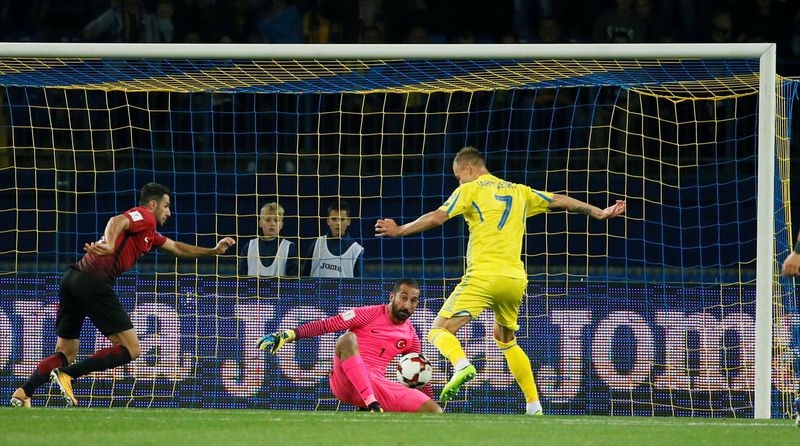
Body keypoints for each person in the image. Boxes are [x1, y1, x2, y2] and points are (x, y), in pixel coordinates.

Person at [375, 147, 626, 415]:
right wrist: (599, 212)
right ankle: (534, 405)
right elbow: (560, 200)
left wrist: (401, 229)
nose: (459, 182)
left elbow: (438, 216)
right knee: (506, 340)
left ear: (469, 169)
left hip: (483, 276)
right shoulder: (520, 191)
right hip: (515, 279)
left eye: (458, 177)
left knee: (439, 332)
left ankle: (461, 364)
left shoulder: (470, 189)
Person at [10, 182, 235, 407]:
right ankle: (68, 375)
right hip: (94, 282)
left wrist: (212, 251)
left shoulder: (150, 234)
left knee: (66, 352)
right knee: (131, 348)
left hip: (73, 278)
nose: (169, 212)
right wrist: (109, 244)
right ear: (153, 204)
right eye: (166, 206)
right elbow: (117, 220)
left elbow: (176, 247)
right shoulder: (145, 216)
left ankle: (24, 392)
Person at [256, 278, 442, 413]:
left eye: (413, 300)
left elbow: (420, 374)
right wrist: (289, 335)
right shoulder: (368, 314)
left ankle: (371, 409)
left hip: (376, 384)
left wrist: (430, 399)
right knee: (347, 338)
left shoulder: (410, 335)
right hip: (345, 381)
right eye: (403, 297)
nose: (407, 305)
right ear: (392, 296)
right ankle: (370, 404)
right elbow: (327, 325)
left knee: (433, 411)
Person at [304, 201, 363, 278]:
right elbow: (304, 275)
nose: (338, 223)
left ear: (348, 221)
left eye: (342, 219)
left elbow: (359, 283)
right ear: (328, 221)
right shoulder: (318, 243)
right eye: (334, 219)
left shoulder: (356, 250)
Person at [238, 202, 299, 277]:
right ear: (260, 223)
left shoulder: (289, 247)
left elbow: (293, 279)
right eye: (268, 220)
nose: (272, 224)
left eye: (276, 220)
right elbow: (240, 277)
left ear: (281, 225)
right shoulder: (249, 246)